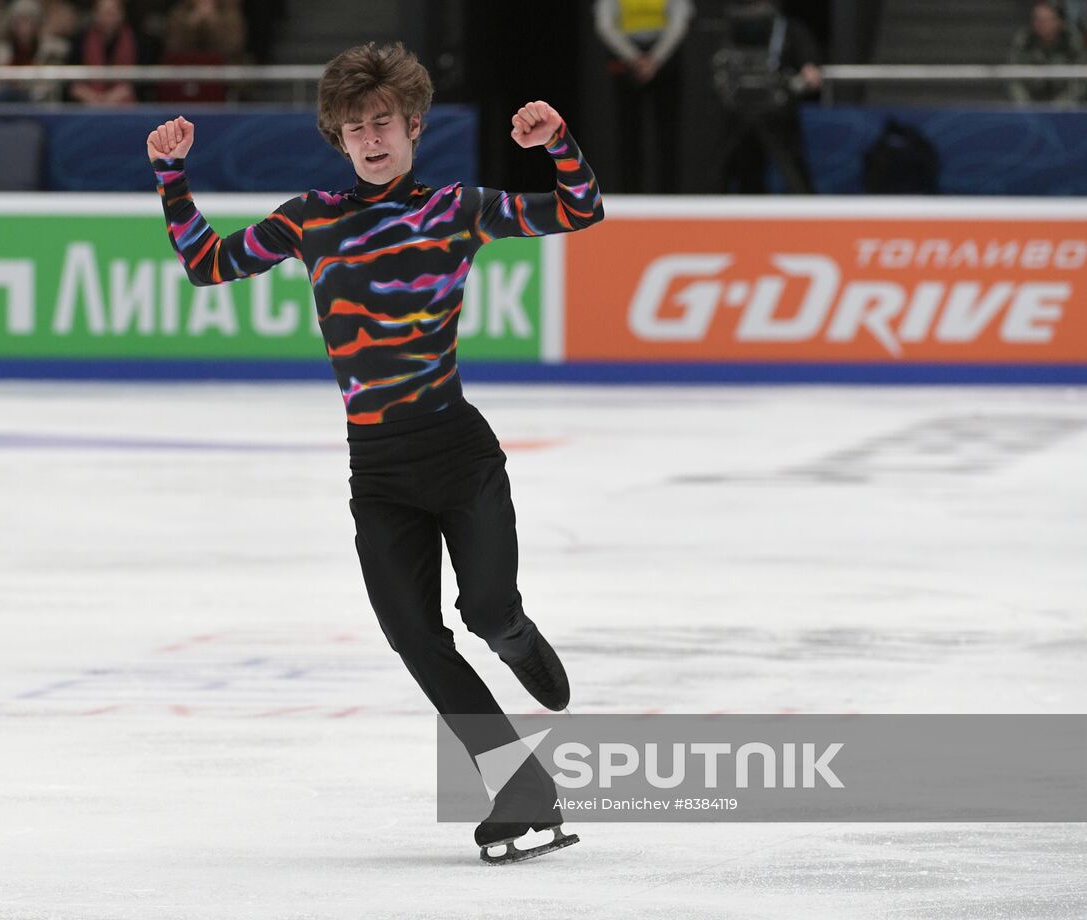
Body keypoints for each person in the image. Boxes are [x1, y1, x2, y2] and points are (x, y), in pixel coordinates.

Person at [146, 41, 604, 863]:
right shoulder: (309, 217)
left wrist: (558, 143)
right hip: (379, 471)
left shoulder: (457, 207)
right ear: (340, 138)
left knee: (484, 613)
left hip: (459, 454)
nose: (370, 136)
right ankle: (519, 785)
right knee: (413, 636)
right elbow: (206, 264)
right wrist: (171, 176)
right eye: (355, 126)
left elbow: (579, 210)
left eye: (383, 120)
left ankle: (514, 635)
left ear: (414, 125)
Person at [714, 0, 821, 193]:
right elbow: (721, 65)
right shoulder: (734, 26)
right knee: (743, 167)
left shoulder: (789, 29)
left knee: (790, 168)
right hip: (743, 109)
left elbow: (810, 73)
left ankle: (805, 206)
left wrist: (804, 74)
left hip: (776, 108)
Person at [593, 0, 693, 193]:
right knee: (628, 130)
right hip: (625, 57)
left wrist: (655, 59)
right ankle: (629, 194)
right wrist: (633, 58)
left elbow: (679, 22)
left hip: (664, 57)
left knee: (668, 132)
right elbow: (605, 24)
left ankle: (668, 196)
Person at [1009, 0, 1086, 106]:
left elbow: (1081, 80)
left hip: (1066, 105)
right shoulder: (1024, 41)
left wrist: (1060, 105)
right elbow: (1013, 78)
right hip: (1032, 103)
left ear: (1058, 21)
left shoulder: (1072, 41)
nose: (1040, 24)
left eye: (1045, 20)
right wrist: (1026, 104)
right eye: (1037, 20)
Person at [0, 0, 68, 103]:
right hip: (11, 100)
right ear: (12, 25)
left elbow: (51, 85)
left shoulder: (53, 50)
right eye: (20, 21)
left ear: (37, 24)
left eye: (29, 21)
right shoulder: (2, 50)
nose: (25, 27)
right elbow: (0, 82)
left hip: (40, 101)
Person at [68, 0, 138, 105]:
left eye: (112, 12)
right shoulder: (80, 40)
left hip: (125, 106)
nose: (109, 17)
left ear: (122, 14)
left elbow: (141, 81)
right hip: (87, 104)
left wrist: (112, 98)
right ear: (95, 14)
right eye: (105, 12)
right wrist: (92, 97)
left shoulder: (137, 41)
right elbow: (72, 81)